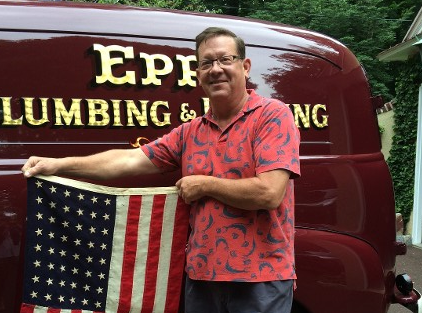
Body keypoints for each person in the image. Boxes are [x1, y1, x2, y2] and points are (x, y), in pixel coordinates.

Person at [22, 27, 300, 313]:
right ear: (198, 73)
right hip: (201, 279)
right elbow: (128, 161)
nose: (215, 69)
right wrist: (59, 165)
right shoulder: (191, 131)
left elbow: (269, 192)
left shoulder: (272, 115)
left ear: (245, 66)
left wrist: (205, 185)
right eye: (206, 63)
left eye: (225, 60)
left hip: (261, 279)